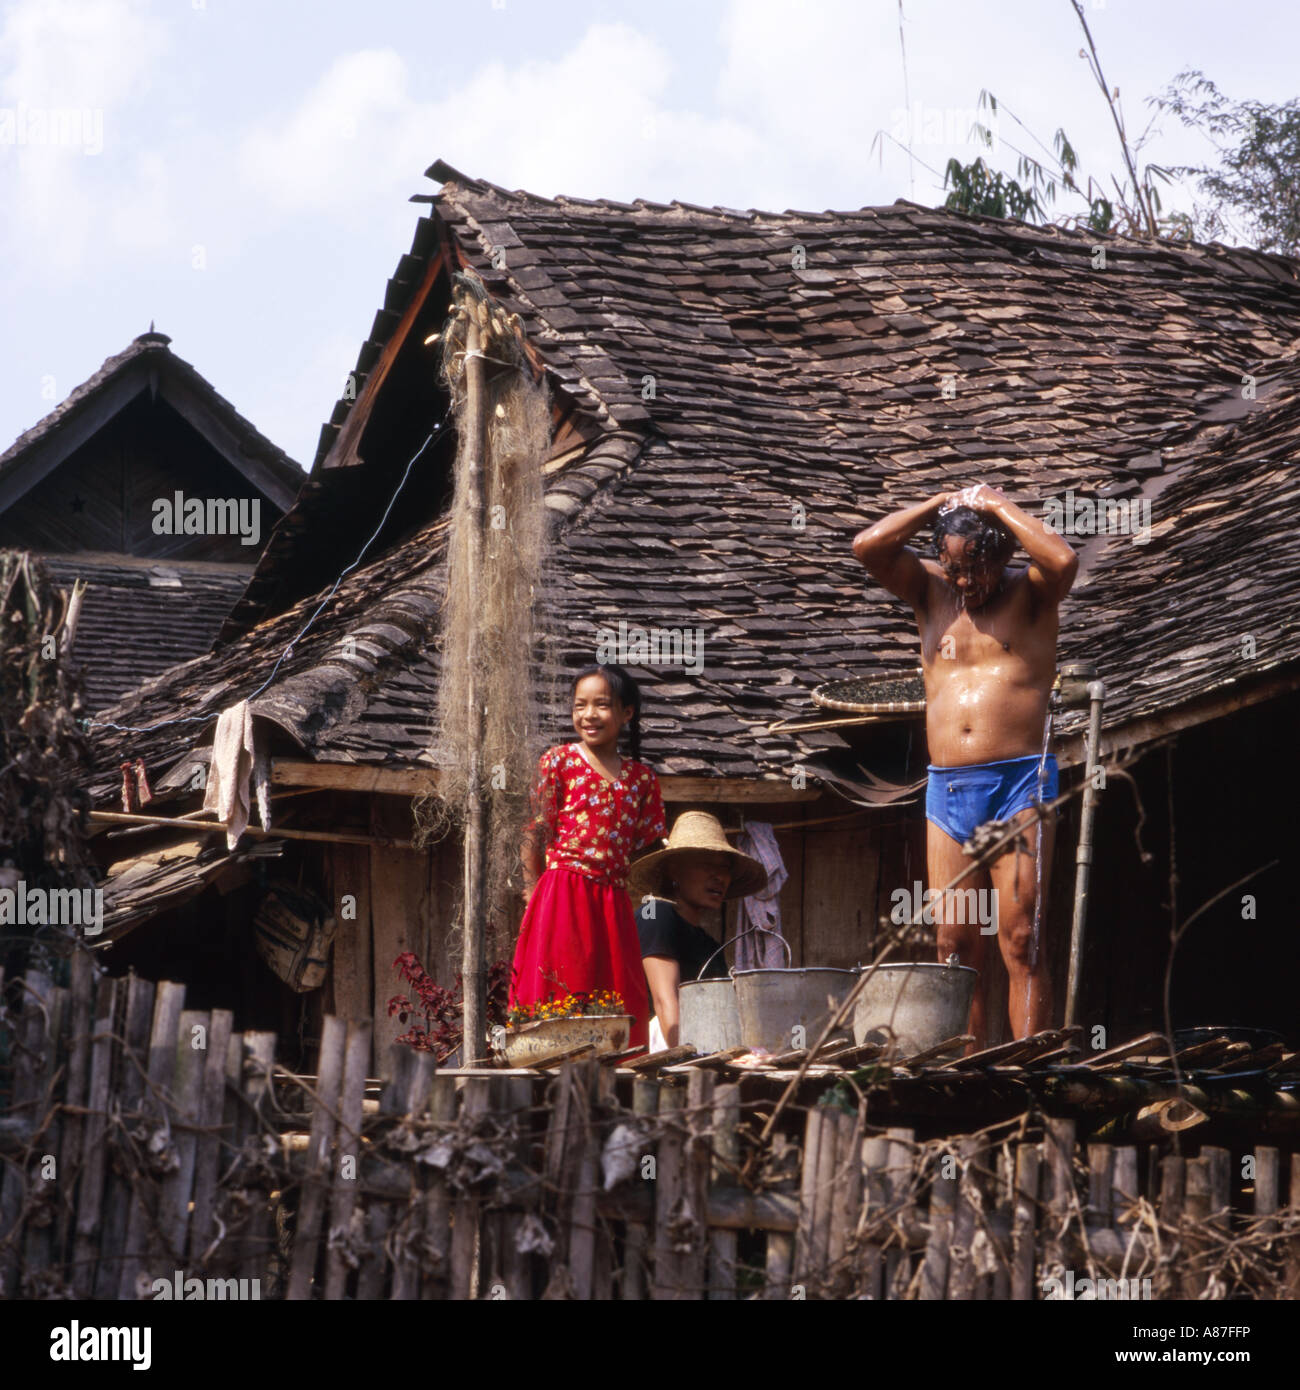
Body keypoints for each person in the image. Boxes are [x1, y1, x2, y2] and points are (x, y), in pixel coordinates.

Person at [852, 483, 1078, 1048]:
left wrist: (997, 504)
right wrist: (940, 504)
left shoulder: (1032, 594)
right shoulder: (929, 592)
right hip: (948, 790)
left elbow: (1063, 558)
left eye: (976, 570)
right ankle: (970, 1062)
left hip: (1020, 784)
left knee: (1021, 937)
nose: (964, 583)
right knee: (953, 942)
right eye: (954, 568)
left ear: (1003, 558)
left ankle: (1029, 1065)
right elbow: (868, 547)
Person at [510, 664, 666, 1049]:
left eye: (601, 705)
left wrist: (636, 902)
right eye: (579, 706)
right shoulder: (558, 762)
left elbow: (647, 848)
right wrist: (532, 892)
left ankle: (615, 1077)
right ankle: (549, 1066)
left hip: (614, 900)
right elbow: (535, 830)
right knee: (562, 981)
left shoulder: (642, 780)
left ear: (627, 713)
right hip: (563, 892)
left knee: (615, 991)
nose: (588, 715)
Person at [628, 811, 768, 1050]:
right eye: (706, 865)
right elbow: (665, 1001)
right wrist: (685, 1061)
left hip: (702, 1043)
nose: (719, 877)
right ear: (674, 870)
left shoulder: (709, 944)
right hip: (661, 1046)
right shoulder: (656, 914)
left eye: (724, 868)